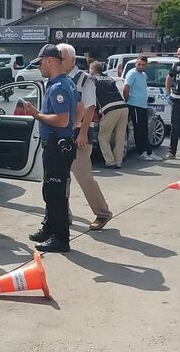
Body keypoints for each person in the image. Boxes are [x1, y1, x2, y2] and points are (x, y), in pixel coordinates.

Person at [20, 44, 77, 253]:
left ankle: (61, 239)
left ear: (50, 61)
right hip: (59, 143)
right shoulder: (64, 83)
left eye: (41, 63)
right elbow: (77, 111)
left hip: (57, 145)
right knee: (50, 191)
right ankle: (49, 229)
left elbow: (62, 120)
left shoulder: (59, 87)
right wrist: (71, 130)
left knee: (56, 194)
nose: (39, 68)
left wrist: (37, 115)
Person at [62, 44, 113, 230]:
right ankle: (63, 214)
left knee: (84, 176)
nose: (59, 61)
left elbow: (90, 107)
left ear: (72, 60)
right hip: (63, 134)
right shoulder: (58, 78)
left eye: (62, 58)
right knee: (62, 178)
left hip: (79, 135)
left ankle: (102, 213)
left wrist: (83, 132)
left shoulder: (84, 80)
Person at [90, 61, 129, 169]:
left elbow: (90, 98)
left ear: (92, 69)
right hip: (123, 107)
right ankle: (118, 162)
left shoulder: (92, 80)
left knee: (103, 137)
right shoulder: (110, 78)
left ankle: (110, 161)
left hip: (110, 109)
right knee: (120, 137)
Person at [124, 55, 161, 161]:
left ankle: (149, 152)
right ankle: (141, 152)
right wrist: (126, 102)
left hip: (143, 105)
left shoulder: (144, 75)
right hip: (134, 105)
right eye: (139, 64)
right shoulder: (132, 73)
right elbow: (126, 88)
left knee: (144, 129)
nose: (141, 66)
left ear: (146, 65)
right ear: (136, 63)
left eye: (143, 65)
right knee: (138, 129)